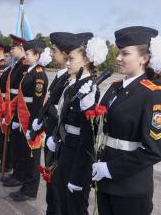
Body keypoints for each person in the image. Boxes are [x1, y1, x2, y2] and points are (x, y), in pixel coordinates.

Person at [93, 26, 161, 215]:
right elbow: (102, 127)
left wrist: (110, 168)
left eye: (125, 53)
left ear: (144, 58)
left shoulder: (152, 95)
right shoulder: (114, 88)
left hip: (130, 187)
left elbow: (155, 151)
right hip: (105, 180)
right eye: (119, 53)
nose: (118, 58)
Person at [51, 32, 108, 215]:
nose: (67, 63)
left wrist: (78, 175)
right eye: (67, 58)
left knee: (75, 207)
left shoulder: (90, 89)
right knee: (63, 203)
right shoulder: (76, 85)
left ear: (85, 60)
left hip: (77, 157)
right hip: (66, 150)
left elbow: (88, 136)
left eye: (71, 59)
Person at [31, 32, 71, 215]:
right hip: (50, 135)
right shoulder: (60, 76)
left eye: (54, 50)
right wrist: (41, 121)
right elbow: (49, 103)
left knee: (56, 185)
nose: (52, 54)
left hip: (58, 138)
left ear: (65, 54)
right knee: (50, 181)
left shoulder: (69, 80)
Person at [10, 39, 50, 202]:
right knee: (24, 154)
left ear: (37, 55)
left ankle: (30, 190)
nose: (25, 57)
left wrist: (32, 126)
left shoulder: (39, 74)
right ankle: (23, 184)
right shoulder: (30, 71)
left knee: (32, 157)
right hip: (23, 117)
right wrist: (19, 119)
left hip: (31, 120)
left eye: (28, 54)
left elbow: (37, 104)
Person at [2, 34, 30, 187]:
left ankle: (19, 175)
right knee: (14, 144)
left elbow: (22, 92)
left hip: (18, 109)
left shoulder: (24, 64)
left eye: (13, 48)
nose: (11, 51)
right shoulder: (17, 63)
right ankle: (16, 173)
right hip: (12, 107)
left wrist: (16, 115)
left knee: (19, 146)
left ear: (21, 48)